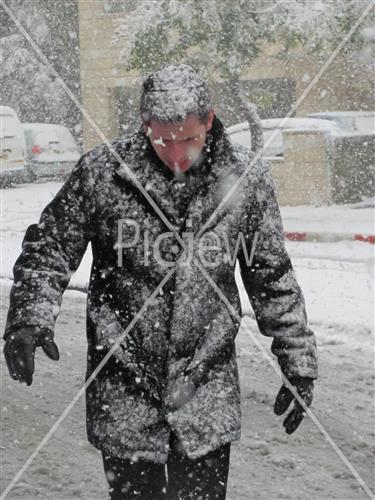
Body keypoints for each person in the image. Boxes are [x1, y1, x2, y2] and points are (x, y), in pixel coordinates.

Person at [3, 64, 318, 500]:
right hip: (124, 384)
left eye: (188, 138)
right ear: (144, 124)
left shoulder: (246, 180)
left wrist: (297, 360)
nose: (176, 154)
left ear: (209, 120)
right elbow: (49, 247)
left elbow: (271, 274)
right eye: (163, 140)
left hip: (205, 387)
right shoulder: (103, 173)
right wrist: (28, 317)